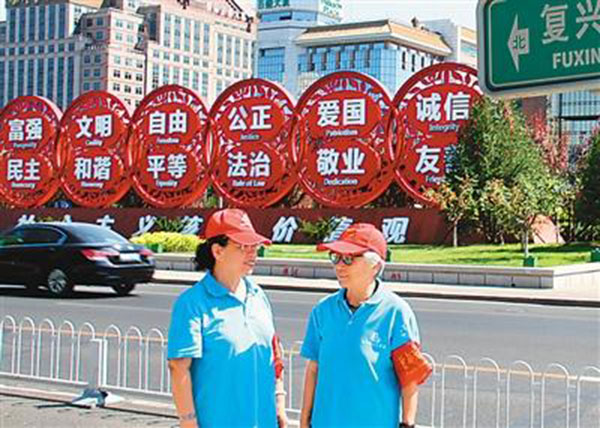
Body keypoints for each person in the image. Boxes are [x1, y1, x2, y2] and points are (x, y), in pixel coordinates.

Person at [299, 223, 432, 428]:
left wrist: (408, 423)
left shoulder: (396, 313)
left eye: (349, 258)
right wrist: (304, 421)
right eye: (335, 257)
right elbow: (314, 369)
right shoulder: (322, 311)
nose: (339, 266)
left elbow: (410, 378)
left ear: (375, 266)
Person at [167, 208, 288, 428]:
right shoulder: (193, 303)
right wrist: (188, 422)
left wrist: (279, 403)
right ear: (217, 251)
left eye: (255, 247)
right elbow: (179, 367)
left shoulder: (258, 296)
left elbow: (274, 356)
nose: (253, 254)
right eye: (243, 247)